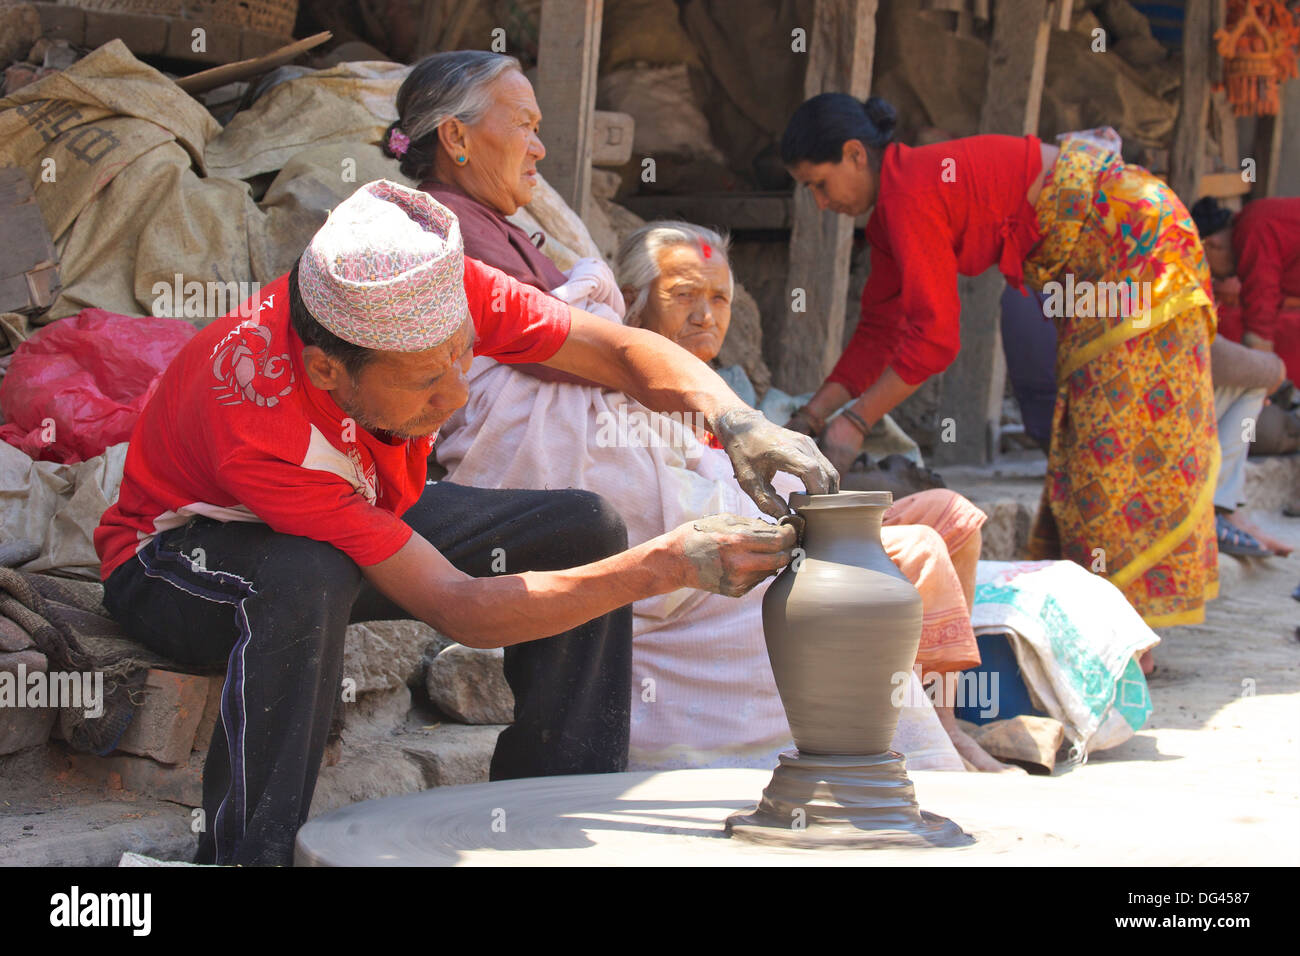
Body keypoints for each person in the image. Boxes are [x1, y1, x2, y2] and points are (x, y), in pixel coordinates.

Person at [94, 180, 835, 866]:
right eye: (424, 379)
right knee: (304, 572)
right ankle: (249, 855)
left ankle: (554, 814)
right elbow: (458, 609)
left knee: (582, 526)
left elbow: (613, 349)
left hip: (352, 504)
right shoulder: (261, 421)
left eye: (463, 359)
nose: (454, 395)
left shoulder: (431, 290)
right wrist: (667, 564)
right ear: (328, 372)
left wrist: (733, 417)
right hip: (174, 555)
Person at [435, 217, 1016, 771]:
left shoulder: (725, 388)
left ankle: (948, 727)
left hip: (791, 526)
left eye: (719, 300)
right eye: (685, 295)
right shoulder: (618, 394)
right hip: (730, 563)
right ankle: (913, 743)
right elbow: (655, 508)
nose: (704, 315)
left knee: (952, 515)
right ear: (633, 298)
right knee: (912, 551)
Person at [779, 94, 1219, 632]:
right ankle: (1108, 624)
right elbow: (879, 331)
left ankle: (1129, 635)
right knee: (1088, 438)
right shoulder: (896, 206)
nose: (821, 204)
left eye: (818, 185)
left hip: (1137, 242)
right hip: (1110, 255)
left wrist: (855, 422)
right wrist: (813, 415)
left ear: (854, 155)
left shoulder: (910, 192)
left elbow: (935, 340)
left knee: (1116, 443)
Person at [1194, 196, 1300, 383]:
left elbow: (1261, 315)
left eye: (1211, 271)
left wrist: (1261, 380)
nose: (1222, 278)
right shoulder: (1257, 219)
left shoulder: (1251, 228)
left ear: (1210, 244)